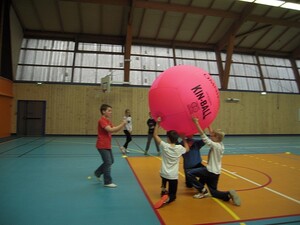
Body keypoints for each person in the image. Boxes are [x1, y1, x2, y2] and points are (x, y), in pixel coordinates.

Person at [186, 117, 241, 206]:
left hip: (210, 171)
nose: (210, 136)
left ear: (217, 137)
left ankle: (202, 191)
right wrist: (209, 126)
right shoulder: (220, 144)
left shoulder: (215, 146)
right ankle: (227, 195)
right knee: (214, 192)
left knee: (190, 173)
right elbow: (213, 135)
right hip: (216, 172)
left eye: (212, 136)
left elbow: (203, 136)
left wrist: (196, 123)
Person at [153, 117, 190, 208]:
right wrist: (184, 139)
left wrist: (158, 124)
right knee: (173, 196)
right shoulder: (179, 148)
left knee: (164, 176)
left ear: (169, 139)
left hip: (163, 173)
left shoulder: (164, 146)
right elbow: (187, 149)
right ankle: (168, 198)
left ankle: (163, 189)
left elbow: (155, 135)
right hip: (173, 175)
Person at [94, 104, 126, 188]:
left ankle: (97, 173)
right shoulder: (102, 120)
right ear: (103, 111)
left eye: (111, 111)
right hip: (102, 145)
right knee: (108, 162)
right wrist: (122, 124)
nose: (110, 112)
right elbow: (110, 130)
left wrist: (122, 125)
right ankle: (107, 182)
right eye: (109, 110)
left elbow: (113, 130)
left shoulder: (108, 120)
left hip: (107, 144)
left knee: (111, 161)